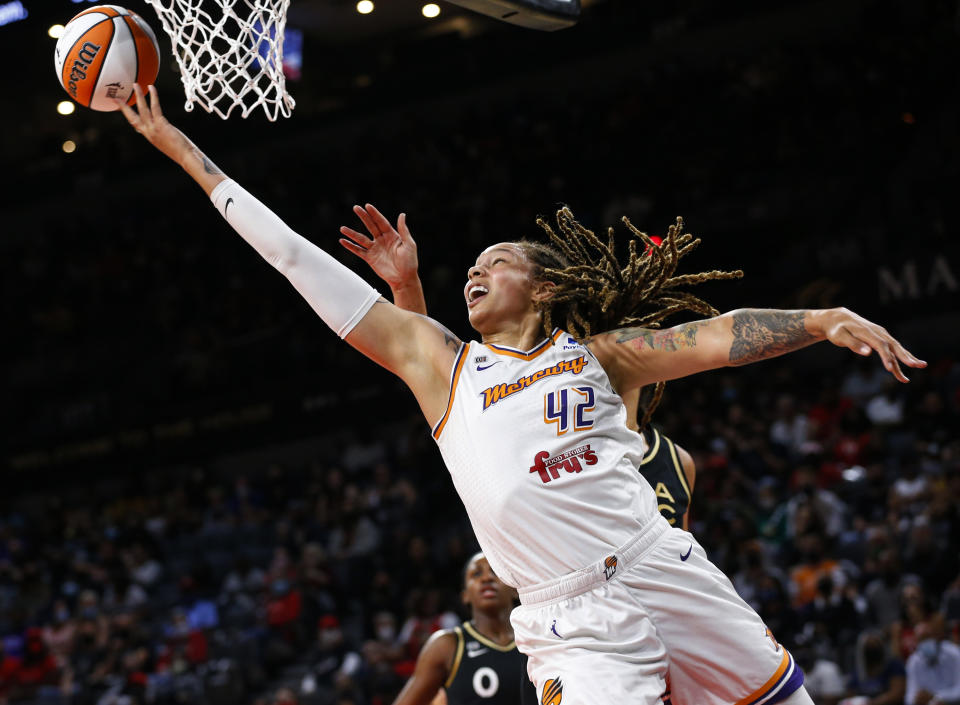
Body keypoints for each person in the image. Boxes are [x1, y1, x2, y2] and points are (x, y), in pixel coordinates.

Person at [116, 84, 925, 705]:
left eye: (495, 260)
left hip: (665, 568)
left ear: (541, 287)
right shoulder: (442, 365)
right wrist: (179, 146)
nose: (475, 268)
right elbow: (293, 257)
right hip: (572, 622)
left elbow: (715, 337)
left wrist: (820, 318)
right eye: (470, 263)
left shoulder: (599, 357)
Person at [338, 208, 697, 531]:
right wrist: (405, 286)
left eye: (498, 262)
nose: (475, 270)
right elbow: (425, 361)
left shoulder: (675, 461)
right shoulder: (544, 385)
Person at [391, 553, 535, 705]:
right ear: (465, 595)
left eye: (495, 572)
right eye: (477, 573)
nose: (487, 578)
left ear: (514, 589)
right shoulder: (446, 645)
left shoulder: (537, 637)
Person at [904, 622, 960, 705]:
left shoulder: (954, 653)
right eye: (921, 639)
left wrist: (936, 697)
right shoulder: (913, 662)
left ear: (936, 636)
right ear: (916, 642)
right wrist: (916, 699)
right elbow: (909, 696)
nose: (925, 642)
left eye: (927, 637)